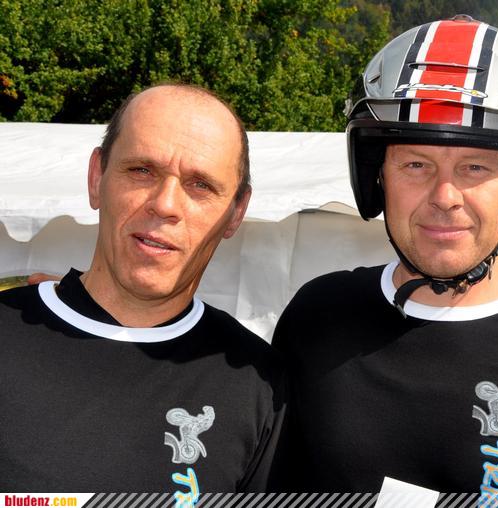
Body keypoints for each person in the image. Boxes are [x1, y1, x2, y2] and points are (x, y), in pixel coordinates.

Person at [272, 15, 498, 498]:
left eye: (475, 167)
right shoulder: (317, 317)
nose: (445, 196)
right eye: (416, 164)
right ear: (377, 177)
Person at [0, 84, 287, 495]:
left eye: (200, 185)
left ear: (235, 212)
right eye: (142, 171)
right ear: (97, 178)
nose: (165, 204)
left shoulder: (259, 384)